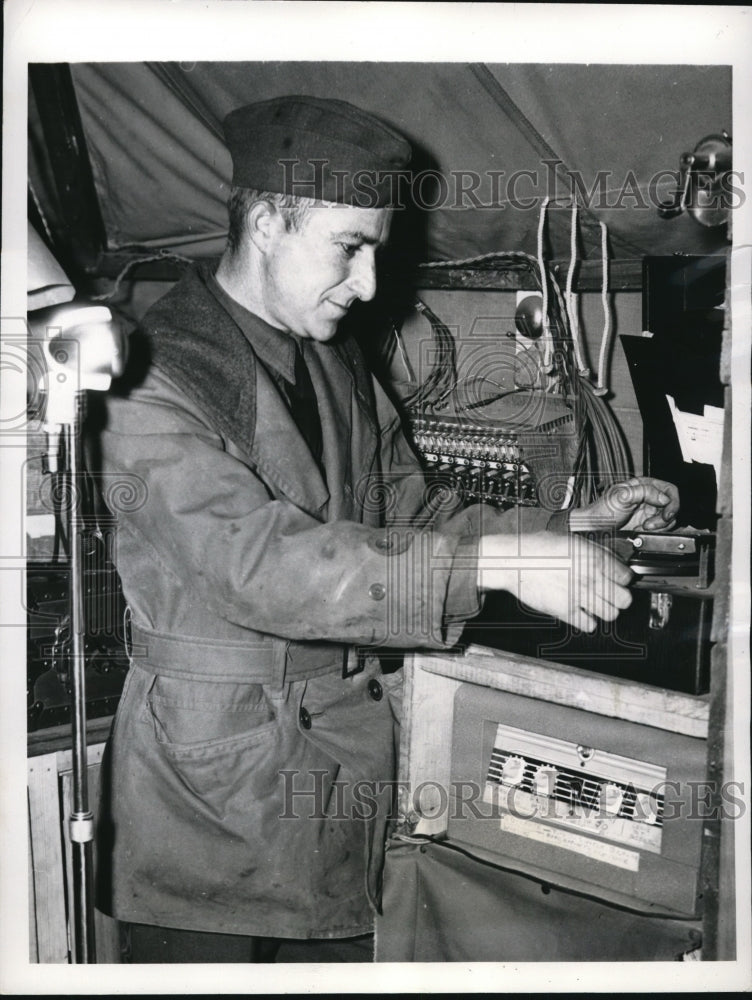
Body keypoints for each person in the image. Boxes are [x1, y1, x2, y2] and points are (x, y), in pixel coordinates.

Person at [94, 96, 679, 963]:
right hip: (211, 801)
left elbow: (408, 509)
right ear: (265, 221)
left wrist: (565, 523)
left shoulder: (331, 356)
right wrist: (499, 561)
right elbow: (262, 567)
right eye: (350, 247)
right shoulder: (150, 376)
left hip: (334, 774)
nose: (369, 284)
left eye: (378, 250)